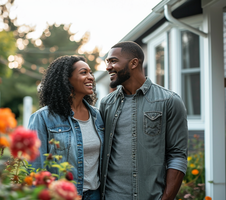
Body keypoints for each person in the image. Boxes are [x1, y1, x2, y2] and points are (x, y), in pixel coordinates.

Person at [99, 41, 188, 200]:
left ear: (134, 63)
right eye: (108, 62)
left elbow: (177, 155)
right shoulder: (107, 104)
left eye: (113, 61)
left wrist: (166, 198)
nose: (108, 67)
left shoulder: (169, 101)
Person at [28, 55, 104, 199]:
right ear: (66, 80)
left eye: (90, 73)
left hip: (95, 195)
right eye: (84, 72)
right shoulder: (43, 118)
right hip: (61, 196)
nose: (91, 77)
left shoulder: (97, 116)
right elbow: (36, 168)